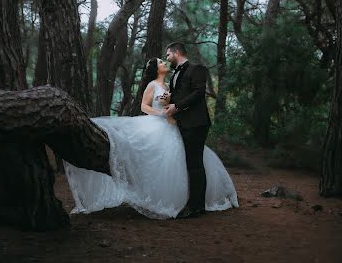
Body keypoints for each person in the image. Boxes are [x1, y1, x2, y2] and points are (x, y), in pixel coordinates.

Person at [64, 56, 238, 219]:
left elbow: (174, 103)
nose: (165, 63)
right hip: (155, 124)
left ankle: (189, 199)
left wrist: (170, 105)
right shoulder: (152, 85)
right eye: (162, 62)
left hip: (171, 126)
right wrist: (161, 112)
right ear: (157, 69)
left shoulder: (169, 86)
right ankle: (154, 196)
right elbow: (144, 107)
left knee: (181, 160)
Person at [165, 41, 211, 218]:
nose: (167, 58)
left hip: (196, 123)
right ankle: (193, 204)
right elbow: (179, 94)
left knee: (195, 164)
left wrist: (177, 106)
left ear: (177, 53)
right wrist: (168, 103)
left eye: (168, 55)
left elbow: (199, 93)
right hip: (183, 123)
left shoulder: (196, 69)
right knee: (190, 164)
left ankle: (197, 207)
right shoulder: (175, 73)